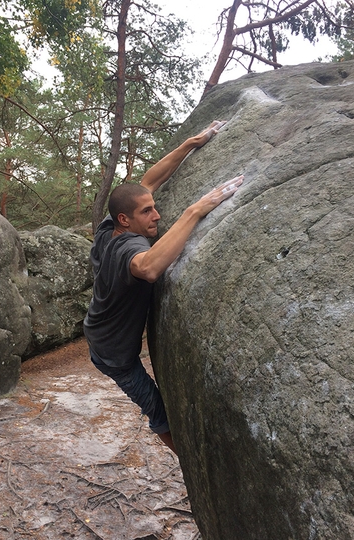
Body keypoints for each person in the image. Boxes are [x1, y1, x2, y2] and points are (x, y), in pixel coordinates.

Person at [83, 121, 244, 455]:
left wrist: (192, 143)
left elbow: (150, 180)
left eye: (153, 207)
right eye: (148, 212)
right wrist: (196, 210)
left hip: (97, 327)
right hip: (113, 354)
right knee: (158, 412)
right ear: (126, 221)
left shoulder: (109, 225)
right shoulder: (127, 249)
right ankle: (191, 465)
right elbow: (149, 267)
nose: (156, 215)